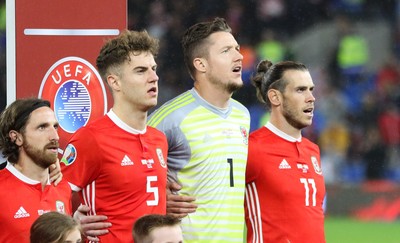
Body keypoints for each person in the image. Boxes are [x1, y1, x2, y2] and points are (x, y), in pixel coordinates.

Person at [60, 30, 168, 243]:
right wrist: (71, 223)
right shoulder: (91, 139)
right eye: (141, 71)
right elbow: (53, 196)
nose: (153, 77)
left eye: (154, 69)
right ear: (115, 82)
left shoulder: (159, 139)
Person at [148, 17, 250, 242]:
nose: (239, 56)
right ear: (201, 64)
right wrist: (158, 198)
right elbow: (131, 167)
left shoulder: (243, 115)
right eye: (226, 51)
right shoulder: (172, 118)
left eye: (237, 49)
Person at [245, 60, 326, 243]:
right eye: (300, 90)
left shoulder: (312, 151)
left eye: (311, 89)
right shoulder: (253, 148)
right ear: (275, 98)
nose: (311, 97)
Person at [0, 98, 72, 243]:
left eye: (55, 127)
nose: (55, 136)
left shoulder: (63, 187)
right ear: (17, 137)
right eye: (42, 127)